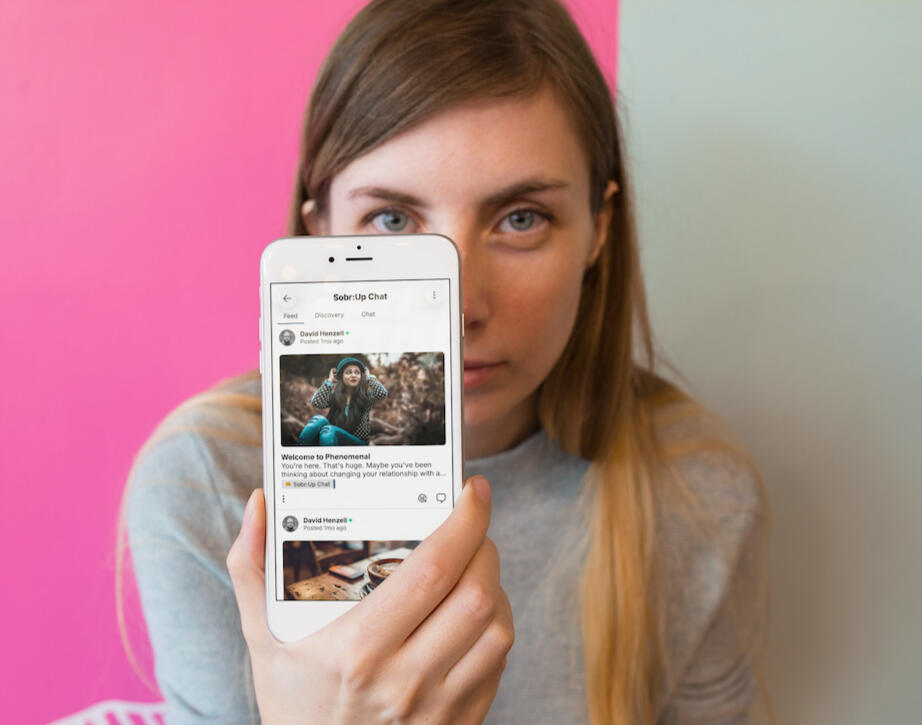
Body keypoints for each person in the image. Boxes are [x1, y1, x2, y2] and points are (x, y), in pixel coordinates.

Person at [118, 0, 771, 723]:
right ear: (322, 234)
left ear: (598, 229)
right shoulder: (209, 486)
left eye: (521, 218)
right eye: (392, 220)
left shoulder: (696, 492)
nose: (457, 308)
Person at [296, 357, 388, 446]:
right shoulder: (335, 397)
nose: (353, 375)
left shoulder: (366, 397)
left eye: (357, 373)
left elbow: (382, 393)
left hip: (358, 442)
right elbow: (316, 402)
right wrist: (330, 381)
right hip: (333, 437)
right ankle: (300, 449)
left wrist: (369, 377)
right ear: (341, 377)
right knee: (319, 419)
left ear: (361, 377)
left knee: (330, 430)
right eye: (348, 372)